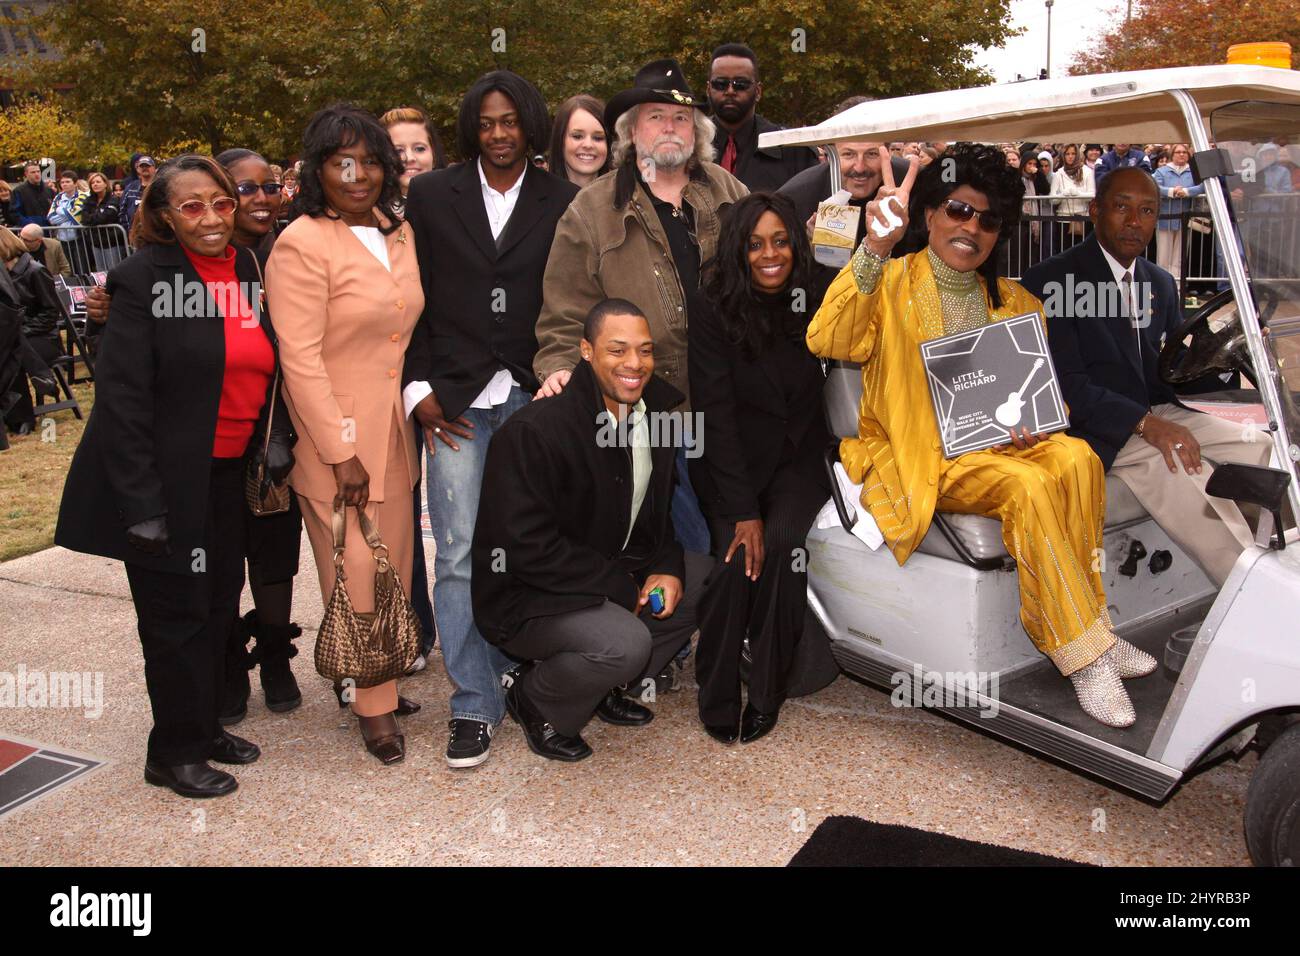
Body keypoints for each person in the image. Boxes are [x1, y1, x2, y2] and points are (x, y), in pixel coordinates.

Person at [807, 143, 1151, 728]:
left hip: (993, 449)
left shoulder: (1014, 300)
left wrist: (1037, 417)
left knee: (1077, 459)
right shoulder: (890, 281)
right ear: (931, 214)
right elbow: (828, 340)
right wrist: (874, 247)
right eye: (958, 211)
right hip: (921, 454)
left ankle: (1091, 623)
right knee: (1028, 487)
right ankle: (1083, 656)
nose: (973, 228)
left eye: (989, 219)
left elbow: (1032, 395)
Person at [55, 154, 284, 797]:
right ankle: (173, 752)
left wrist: (276, 436)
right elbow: (122, 400)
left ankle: (205, 727)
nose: (211, 217)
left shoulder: (245, 267)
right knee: (174, 616)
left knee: (214, 606)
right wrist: (142, 505)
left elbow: (258, 360)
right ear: (164, 215)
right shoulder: (140, 279)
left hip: (223, 471)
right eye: (192, 206)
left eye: (220, 202)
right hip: (161, 480)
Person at [403, 70, 578, 768]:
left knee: (532, 547)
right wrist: (416, 389)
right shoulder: (430, 194)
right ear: (472, 127)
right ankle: (473, 700)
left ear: (530, 127)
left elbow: (572, 299)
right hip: (456, 404)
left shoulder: (564, 201)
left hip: (537, 400)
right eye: (487, 121)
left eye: (511, 121)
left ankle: (522, 676)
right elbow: (410, 296)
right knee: (459, 552)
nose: (499, 133)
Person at [472, 299, 713, 761]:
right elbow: (523, 548)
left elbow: (656, 516)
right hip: (530, 598)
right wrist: (620, 587)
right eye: (617, 350)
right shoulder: (535, 432)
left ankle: (599, 686)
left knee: (702, 580)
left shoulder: (657, 416)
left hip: (609, 574)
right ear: (585, 351)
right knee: (626, 642)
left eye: (644, 351)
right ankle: (536, 698)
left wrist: (665, 567)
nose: (634, 364)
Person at [535, 58, 747, 561]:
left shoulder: (730, 192)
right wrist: (561, 369)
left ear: (696, 131)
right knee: (678, 543)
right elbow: (565, 312)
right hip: (647, 409)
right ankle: (673, 629)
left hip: (729, 399)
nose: (668, 127)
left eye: (679, 119)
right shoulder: (592, 209)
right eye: (655, 117)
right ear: (632, 132)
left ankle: (719, 629)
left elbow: (772, 271)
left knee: (735, 530)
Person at [1022, 168, 1271, 588]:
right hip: (1091, 428)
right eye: (1122, 207)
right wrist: (1145, 423)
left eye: (1147, 210)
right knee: (1178, 463)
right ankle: (1251, 591)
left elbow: (1171, 375)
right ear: (1095, 210)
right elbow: (1063, 385)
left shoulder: (1157, 282)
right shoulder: (1052, 280)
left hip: (1151, 410)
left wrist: (1226, 357)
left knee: (1259, 444)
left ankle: (1265, 552)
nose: (1135, 221)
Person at [267, 104, 425, 765]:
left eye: (368, 160)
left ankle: (379, 673)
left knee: (396, 572)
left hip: (395, 434)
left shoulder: (398, 231)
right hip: (338, 444)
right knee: (355, 574)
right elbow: (298, 358)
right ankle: (374, 710)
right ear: (319, 171)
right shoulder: (301, 242)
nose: (357, 175)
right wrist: (340, 452)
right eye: (341, 162)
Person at [689, 192, 831, 744]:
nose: (769, 255)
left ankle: (770, 689)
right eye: (754, 244)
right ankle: (717, 690)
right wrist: (742, 509)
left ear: (795, 244)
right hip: (733, 462)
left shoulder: (816, 296)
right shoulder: (713, 306)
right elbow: (715, 413)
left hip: (798, 458)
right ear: (738, 250)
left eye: (779, 241)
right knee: (733, 562)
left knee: (785, 549)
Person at [779, 96, 912, 255]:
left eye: (871, 154)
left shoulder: (914, 181)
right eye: (849, 154)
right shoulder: (795, 198)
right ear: (830, 155)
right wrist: (807, 247)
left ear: (889, 153)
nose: (860, 167)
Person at [707, 43, 818, 192]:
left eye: (740, 84)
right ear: (708, 89)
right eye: (720, 84)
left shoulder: (794, 151)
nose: (730, 91)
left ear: (758, 91)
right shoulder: (688, 148)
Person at [0, 227, 61, 436]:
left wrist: (21, 330)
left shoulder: (35, 271)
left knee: (12, 352)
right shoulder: (3, 276)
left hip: (43, 338)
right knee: (11, 347)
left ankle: (21, 417)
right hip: (18, 340)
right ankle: (41, 378)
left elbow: (51, 313)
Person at [1150, 144, 1203, 285]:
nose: (1181, 154)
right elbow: (1155, 186)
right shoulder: (1162, 171)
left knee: (1179, 257)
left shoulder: (1193, 171)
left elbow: (1202, 186)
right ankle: (1162, 286)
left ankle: (1177, 287)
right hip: (1165, 219)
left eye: (1184, 152)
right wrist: (1172, 191)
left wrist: (1186, 191)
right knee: (1163, 257)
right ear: (1172, 154)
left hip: (1184, 220)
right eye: (1178, 152)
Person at [379, 105, 448, 201]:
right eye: (398, 151)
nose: (410, 158)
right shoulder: (367, 211)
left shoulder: (462, 204)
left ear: (434, 155)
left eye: (419, 149)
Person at [548, 94, 611, 188]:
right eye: (577, 136)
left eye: (598, 138)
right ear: (560, 140)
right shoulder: (534, 197)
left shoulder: (628, 198)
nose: (588, 145)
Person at [1050, 144, 1095, 250]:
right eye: (1067, 154)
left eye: (1073, 153)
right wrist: (1062, 195)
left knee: (1083, 253)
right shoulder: (1059, 174)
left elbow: (1092, 195)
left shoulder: (1087, 171)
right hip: (1063, 219)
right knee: (1064, 253)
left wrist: (1078, 194)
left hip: (1083, 218)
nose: (1070, 156)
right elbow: (1052, 199)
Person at [82, 171, 126, 272]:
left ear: (105, 183)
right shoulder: (88, 200)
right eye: (92, 183)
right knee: (100, 272)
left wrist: (93, 217)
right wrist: (97, 217)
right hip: (96, 242)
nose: (95, 184)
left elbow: (107, 216)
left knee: (114, 270)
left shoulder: (113, 199)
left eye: (98, 181)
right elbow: (85, 219)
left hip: (112, 242)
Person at [49, 171, 88, 273]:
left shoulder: (83, 196)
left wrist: (60, 211)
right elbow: (51, 218)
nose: (64, 184)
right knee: (69, 268)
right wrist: (67, 215)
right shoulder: (58, 197)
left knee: (82, 267)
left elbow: (75, 216)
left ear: (75, 183)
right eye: (62, 182)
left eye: (68, 181)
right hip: (62, 240)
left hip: (78, 239)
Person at [120, 154, 157, 235]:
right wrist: (128, 229)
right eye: (142, 166)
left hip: (157, 233)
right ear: (137, 169)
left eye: (147, 166)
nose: (144, 168)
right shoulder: (130, 188)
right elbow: (122, 210)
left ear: (154, 168)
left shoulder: (160, 186)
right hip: (136, 234)